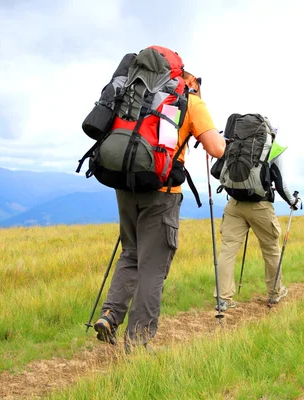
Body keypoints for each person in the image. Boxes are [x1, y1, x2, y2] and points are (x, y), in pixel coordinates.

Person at [94, 69, 226, 352]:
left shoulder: (137, 93)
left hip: (126, 186)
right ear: (190, 81)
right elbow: (217, 149)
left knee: (130, 254)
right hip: (162, 193)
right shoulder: (189, 102)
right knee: (153, 268)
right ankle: (138, 343)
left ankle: (110, 315)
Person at [214, 124, 298, 311]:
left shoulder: (237, 143)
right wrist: (293, 201)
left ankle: (223, 298)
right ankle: (275, 293)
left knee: (228, 250)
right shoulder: (272, 149)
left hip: (234, 203)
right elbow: (280, 183)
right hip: (260, 206)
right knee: (270, 250)